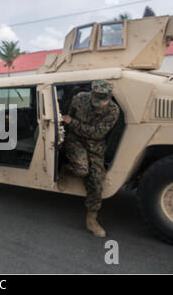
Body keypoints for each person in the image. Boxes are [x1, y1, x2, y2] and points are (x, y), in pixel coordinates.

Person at [61, 80, 120, 238]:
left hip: (95, 145)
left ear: (110, 96)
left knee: (96, 180)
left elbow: (97, 133)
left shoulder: (113, 111)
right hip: (76, 140)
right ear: (91, 94)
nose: (98, 105)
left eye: (102, 100)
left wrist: (72, 122)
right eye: (96, 99)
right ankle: (63, 170)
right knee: (81, 170)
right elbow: (66, 115)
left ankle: (91, 219)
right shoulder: (79, 98)